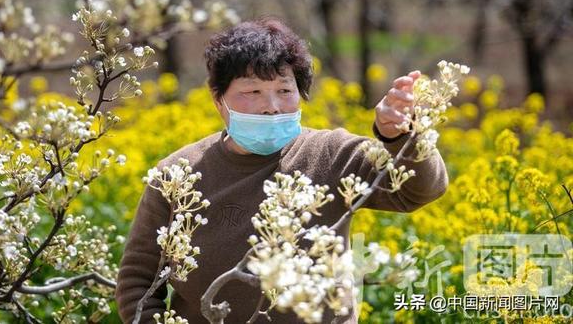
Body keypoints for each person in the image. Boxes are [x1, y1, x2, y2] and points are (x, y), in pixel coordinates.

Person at [115, 18, 448, 323]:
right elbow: (138, 283)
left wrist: (401, 135)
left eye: (285, 91)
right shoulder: (179, 175)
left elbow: (418, 191)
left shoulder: (331, 155)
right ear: (218, 100)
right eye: (252, 91)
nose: (271, 106)